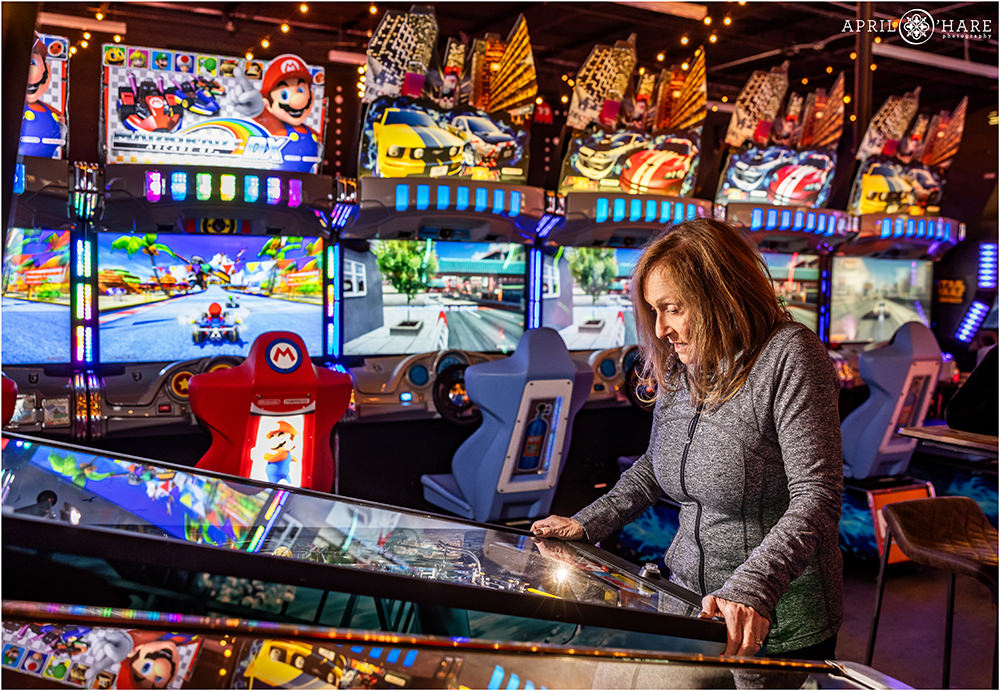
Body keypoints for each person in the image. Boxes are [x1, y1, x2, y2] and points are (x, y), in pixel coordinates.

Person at [531, 218, 843, 660]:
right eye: (653, 311)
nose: (659, 329)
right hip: (688, 605)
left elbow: (818, 495)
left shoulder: (790, 355)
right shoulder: (682, 365)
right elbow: (654, 468)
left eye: (672, 308)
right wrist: (586, 524)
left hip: (773, 621)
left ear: (721, 295)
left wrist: (754, 588)